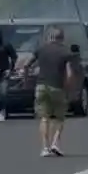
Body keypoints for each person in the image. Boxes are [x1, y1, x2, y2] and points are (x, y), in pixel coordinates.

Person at [23, 27, 73, 157]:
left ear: (50, 37)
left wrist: (26, 80)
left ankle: (45, 147)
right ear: (62, 38)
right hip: (57, 87)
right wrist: (68, 87)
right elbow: (69, 73)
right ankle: (55, 143)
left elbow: (26, 65)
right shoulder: (65, 52)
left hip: (41, 86)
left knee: (44, 118)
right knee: (59, 118)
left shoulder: (41, 49)